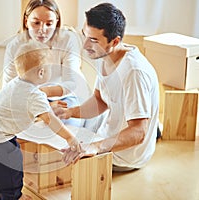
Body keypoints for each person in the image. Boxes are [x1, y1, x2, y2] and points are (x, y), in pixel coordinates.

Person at [0, 41, 81, 199]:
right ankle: (13, 196)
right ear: (42, 72)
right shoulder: (34, 96)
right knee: (12, 167)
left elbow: (22, 106)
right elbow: (50, 120)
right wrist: (70, 137)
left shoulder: (14, 84)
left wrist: (48, 107)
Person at [58, 3, 159, 172]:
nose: (85, 46)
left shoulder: (134, 72)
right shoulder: (104, 54)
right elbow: (100, 100)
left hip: (126, 156)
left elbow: (139, 131)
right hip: (105, 135)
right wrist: (70, 112)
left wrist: (96, 147)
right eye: (85, 35)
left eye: (93, 40)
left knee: (63, 163)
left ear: (115, 41)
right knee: (63, 138)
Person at [3, 0, 89, 127]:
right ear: (26, 21)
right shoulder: (15, 46)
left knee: (66, 128)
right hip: (27, 99)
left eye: (49, 24)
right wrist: (41, 105)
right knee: (10, 127)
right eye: (36, 23)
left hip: (64, 97)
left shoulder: (67, 39)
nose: (42, 30)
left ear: (57, 22)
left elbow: (72, 83)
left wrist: (43, 95)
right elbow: (9, 89)